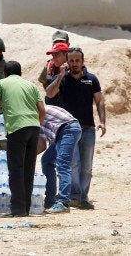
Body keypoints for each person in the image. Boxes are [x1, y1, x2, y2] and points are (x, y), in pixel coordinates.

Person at [45, 47, 106, 210]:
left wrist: (103, 121)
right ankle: (74, 196)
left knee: (86, 166)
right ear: (67, 62)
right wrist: (60, 76)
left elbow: (99, 100)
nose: (74, 64)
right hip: (68, 130)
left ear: (82, 61)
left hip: (88, 129)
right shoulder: (62, 79)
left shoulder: (91, 79)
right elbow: (49, 94)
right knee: (73, 164)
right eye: (71, 60)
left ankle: (83, 197)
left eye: (77, 60)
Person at [0, 61, 45, 218]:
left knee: (16, 169)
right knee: (29, 169)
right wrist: (36, 124)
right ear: (21, 74)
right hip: (33, 127)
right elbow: (42, 109)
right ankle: (25, 209)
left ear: (5, 74)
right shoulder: (31, 85)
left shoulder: (1, 83)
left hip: (16, 128)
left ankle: (17, 210)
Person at [38, 105, 82, 214]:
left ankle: (64, 202)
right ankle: (50, 200)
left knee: (63, 165)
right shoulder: (34, 116)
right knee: (46, 160)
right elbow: (42, 146)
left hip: (68, 128)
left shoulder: (37, 111)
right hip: (61, 133)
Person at [38, 30, 70, 105]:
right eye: (56, 42)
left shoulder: (73, 62)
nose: (58, 44)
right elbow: (44, 81)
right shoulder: (49, 64)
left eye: (61, 42)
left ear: (68, 44)